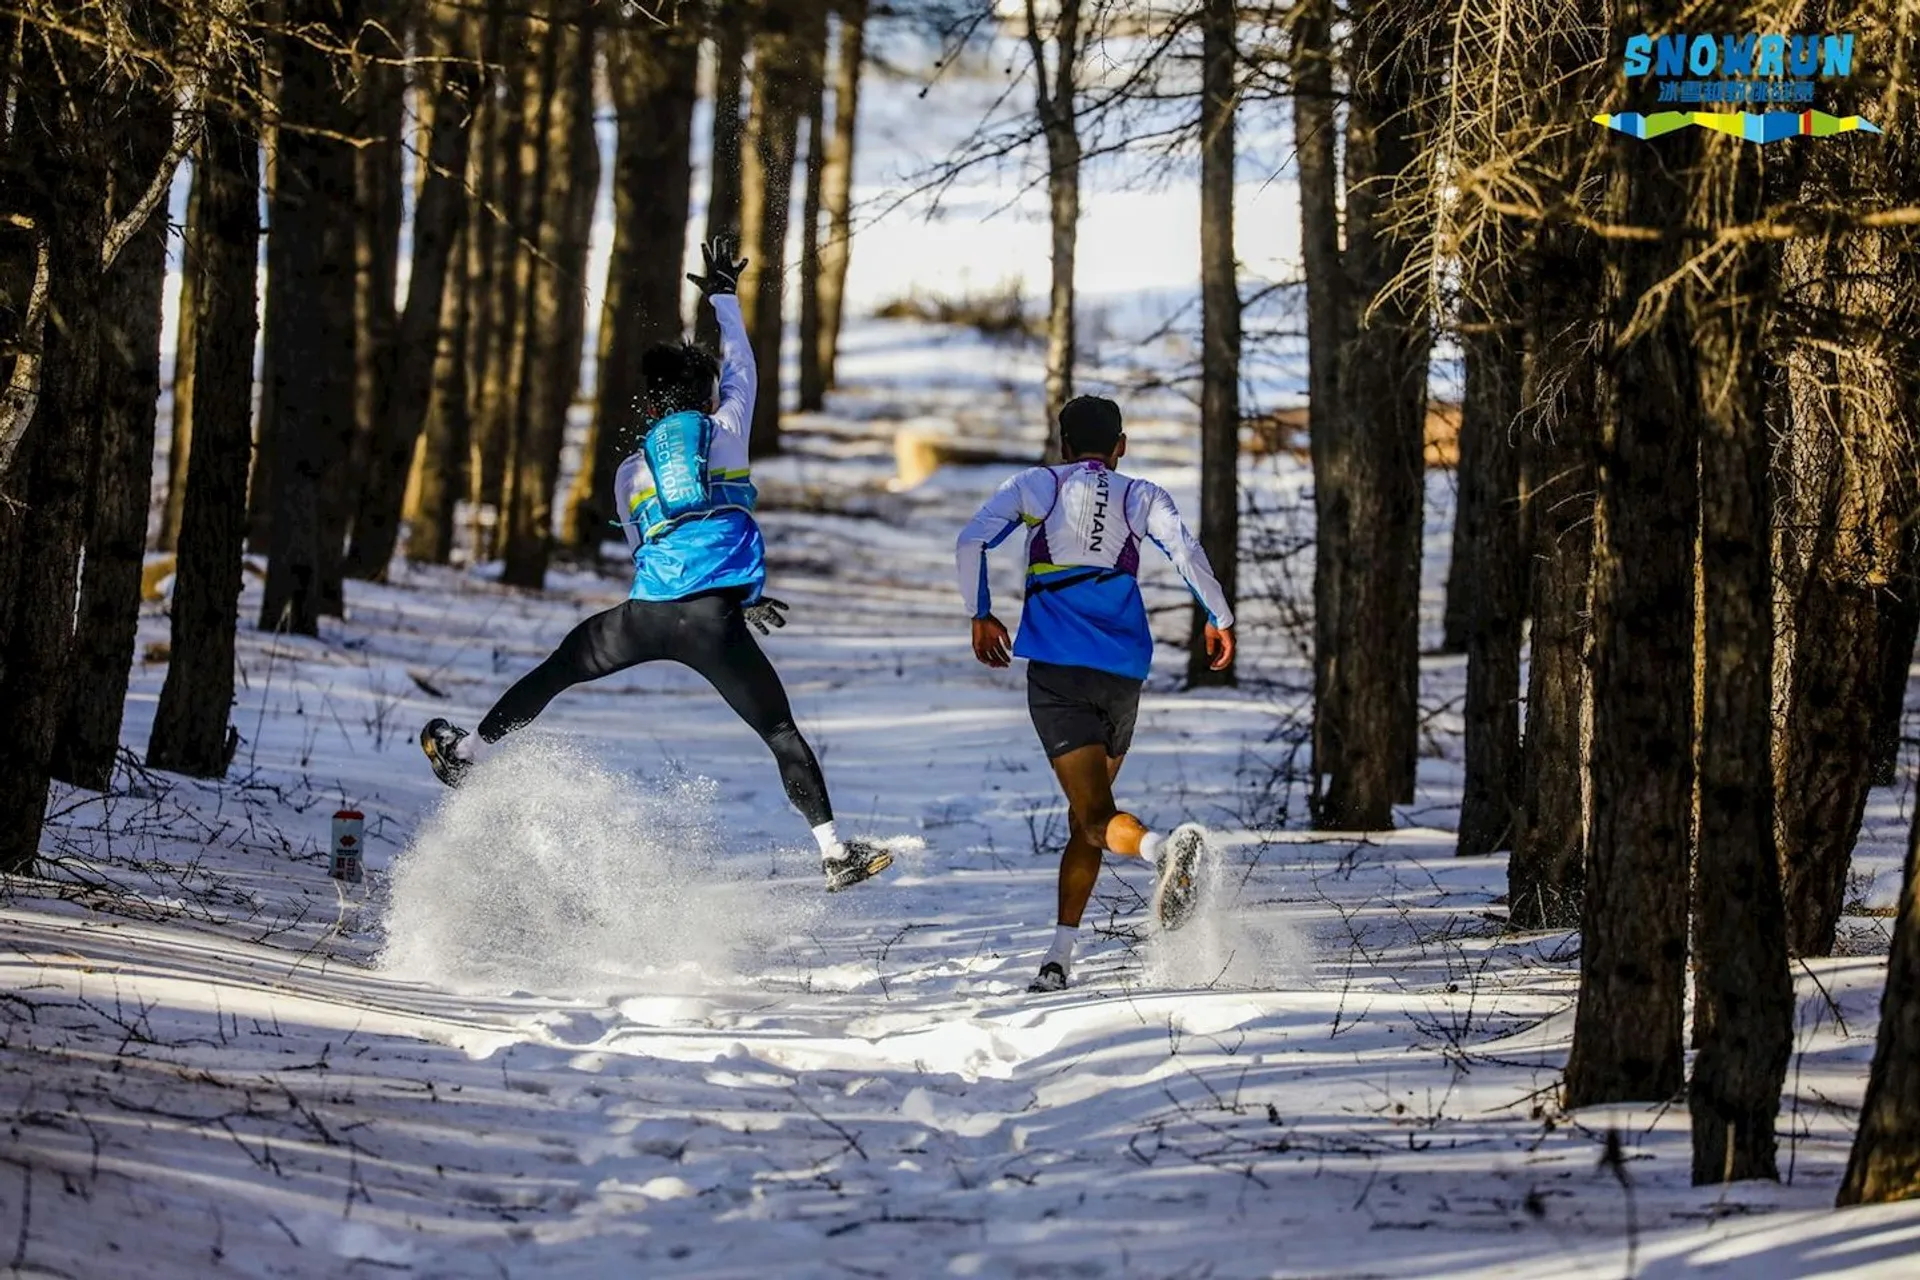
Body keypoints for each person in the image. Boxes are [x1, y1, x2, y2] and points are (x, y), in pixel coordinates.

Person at [419, 236, 893, 894]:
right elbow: (743, 371)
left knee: (558, 669)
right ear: (703, 395)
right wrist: (723, 295)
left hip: (643, 616)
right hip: (714, 625)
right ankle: (834, 853)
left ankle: (468, 755)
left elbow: (655, 547)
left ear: (651, 402)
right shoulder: (726, 429)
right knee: (779, 730)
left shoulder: (628, 470)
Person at [955, 395, 1236, 991]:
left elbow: (971, 540)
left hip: (1059, 672)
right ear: (1121, 446)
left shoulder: (1038, 485)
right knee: (1084, 818)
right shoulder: (1142, 494)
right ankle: (1059, 957)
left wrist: (981, 613)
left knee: (1094, 816)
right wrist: (1220, 617)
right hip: (1123, 673)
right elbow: (1185, 551)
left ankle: (1162, 850)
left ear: (1061, 444)